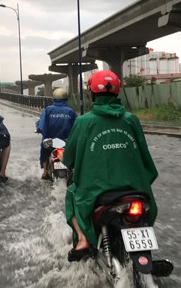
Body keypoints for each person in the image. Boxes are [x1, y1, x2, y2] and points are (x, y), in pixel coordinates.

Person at [61, 70, 158, 262]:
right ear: (117, 92)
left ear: (92, 94)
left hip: (97, 192)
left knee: (72, 195)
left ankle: (83, 241)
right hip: (134, 189)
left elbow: (68, 158)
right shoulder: (131, 119)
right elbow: (144, 156)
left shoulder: (83, 121)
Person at [37, 88, 77, 180]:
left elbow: (41, 125)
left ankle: (45, 171)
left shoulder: (48, 110)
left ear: (54, 98)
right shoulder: (70, 111)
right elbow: (76, 126)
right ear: (66, 99)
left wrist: (39, 129)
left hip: (51, 142)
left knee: (44, 148)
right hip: (66, 143)